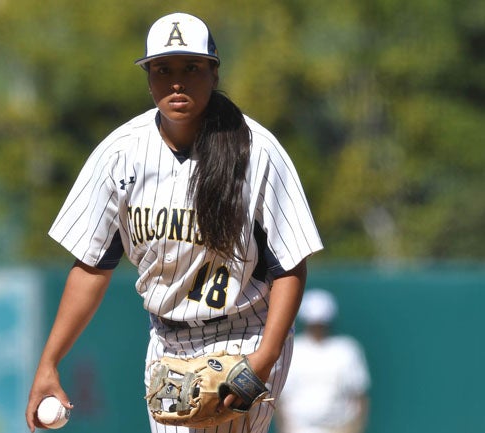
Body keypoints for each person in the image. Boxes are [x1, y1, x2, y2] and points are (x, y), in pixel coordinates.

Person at [25, 12, 323, 433]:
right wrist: (49, 363)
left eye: (192, 68)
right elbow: (92, 265)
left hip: (246, 331)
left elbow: (289, 265)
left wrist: (265, 358)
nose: (177, 82)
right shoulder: (120, 155)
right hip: (166, 342)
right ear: (148, 79)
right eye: (163, 70)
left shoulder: (256, 151)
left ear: (214, 73)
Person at [275, 289, 371, 433]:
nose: (317, 327)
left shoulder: (347, 350)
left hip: (338, 428)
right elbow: (281, 399)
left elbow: (360, 396)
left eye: (321, 323)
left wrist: (353, 429)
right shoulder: (293, 349)